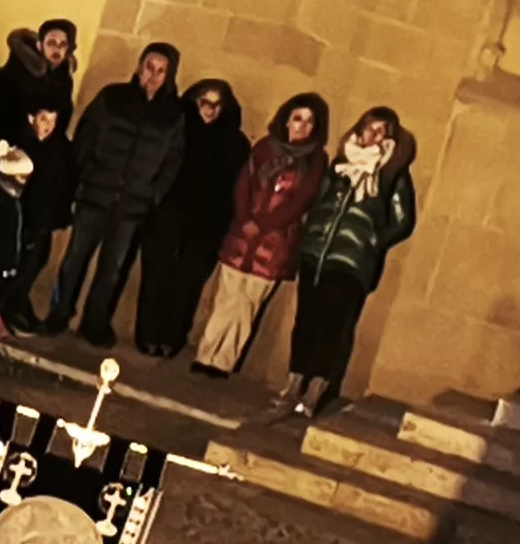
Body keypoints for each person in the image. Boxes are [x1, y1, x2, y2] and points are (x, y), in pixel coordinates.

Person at [36, 42, 184, 345]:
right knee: (74, 260)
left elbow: (172, 161)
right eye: (149, 68)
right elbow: (86, 137)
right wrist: (84, 177)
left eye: (160, 71)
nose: (153, 76)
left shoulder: (172, 116)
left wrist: (151, 194)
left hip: (132, 204)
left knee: (112, 269)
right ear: (139, 68)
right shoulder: (112, 98)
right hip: (96, 194)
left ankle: (95, 322)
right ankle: (59, 313)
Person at [283, 106, 418, 416]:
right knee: (306, 319)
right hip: (317, 253)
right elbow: (321, 200)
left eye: (382, 130)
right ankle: (294, 381)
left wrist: (372, 240)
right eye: (371, 127)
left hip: (351, 261)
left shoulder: (391, 174)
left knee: (333, 324)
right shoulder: (341, 163)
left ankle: (317, 389)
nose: (375, 135)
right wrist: (313, 228)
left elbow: (402, 219)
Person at [191, 93, 325, 376]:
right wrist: (244, 218)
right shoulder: (265, 148)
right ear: (287, 119)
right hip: (242, 236)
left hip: (274, 243)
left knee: (247, 304)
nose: (301, 126)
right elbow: (244, 183)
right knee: (226, 298)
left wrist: (264, 225)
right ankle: (205, 354)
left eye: (309, 121)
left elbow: (301, 200)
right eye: (297, 118)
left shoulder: (314, 161)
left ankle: (223, 361)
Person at [129, 75, 240, 356]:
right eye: (205, 102)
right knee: (156, 277)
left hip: (206, 224)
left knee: (186, 285)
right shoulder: (176, 130)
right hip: (167, 214)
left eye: (218, 105)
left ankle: (171, 338)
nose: (210, 110)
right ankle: (148, 335)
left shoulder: (235, 143)